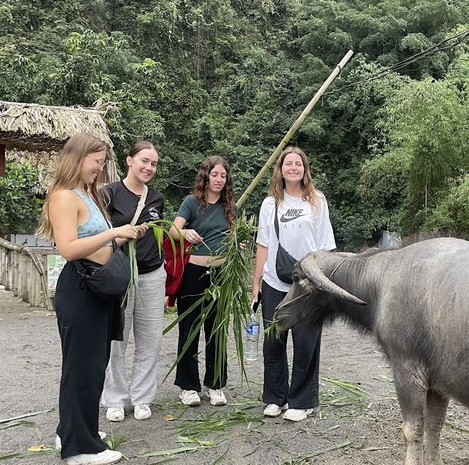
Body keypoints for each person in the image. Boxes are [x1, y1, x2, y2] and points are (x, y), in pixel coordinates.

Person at [36, 133, 144, 465]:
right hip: (81, 287)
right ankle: (80, 450)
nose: (100, 167)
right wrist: (115, 232)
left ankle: (71, 431)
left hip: (97, 290)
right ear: (78, 157)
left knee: (90, 365)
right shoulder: (64, 197)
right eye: (96, 161)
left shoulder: (87, 194)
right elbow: (68, 247)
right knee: (82, 366)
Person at [252, 146, 336, 422]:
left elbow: (326, 246)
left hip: (309, 283)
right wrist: (256, 285)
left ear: (304, 169)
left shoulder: (317, 201)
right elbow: (263, 245)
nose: (293, 168)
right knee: (273, 341)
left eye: (298, 164)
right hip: (275, 281)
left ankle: (302, 399)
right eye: (288, 163)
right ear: (281, 169)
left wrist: (325, 283)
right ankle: (275, 397)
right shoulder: (270, 204)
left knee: (306, 340)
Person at [100, 141, 166, 423]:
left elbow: (161, 234)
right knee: (117, 340)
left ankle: (142, 398)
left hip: (152, 274)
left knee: (150, 339)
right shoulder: (109, 194)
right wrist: (123, 233)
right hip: (120, 275)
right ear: (129, 160)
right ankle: (114, 398)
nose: (148, 168)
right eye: (144, 161)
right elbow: (99, 235)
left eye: (153, 164)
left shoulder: (157, 199)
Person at [171, 156, 238, 407]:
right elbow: (172, 230)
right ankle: (188, 386)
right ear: (205, 176)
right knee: (189, 328)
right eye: (215, 175)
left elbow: (232, 238)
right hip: (193, 274)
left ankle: (216, 384)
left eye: (223, 176)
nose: (219, 180)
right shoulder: (191, 202)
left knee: (217, 329)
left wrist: (238, 244)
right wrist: (184, 232)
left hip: (222, 275)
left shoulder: (230, 207)